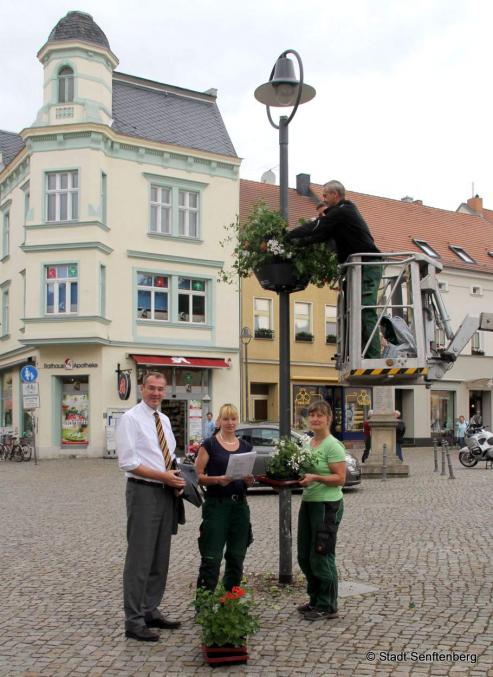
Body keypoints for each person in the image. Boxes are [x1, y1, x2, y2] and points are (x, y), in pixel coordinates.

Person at [116, 371, 186, 642]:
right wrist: (163, 476)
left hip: (165, 492)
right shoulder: (130, 419)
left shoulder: (164, 419)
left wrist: (178, 479)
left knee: (159, 556)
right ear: (142, 389)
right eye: (151, 388)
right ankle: (133, 621)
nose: (156, 393)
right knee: (139, 559)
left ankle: (150, 610)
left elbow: (167, 457)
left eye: (160, 389)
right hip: (143, 492)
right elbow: (128, 462)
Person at [285, 180, 382, 359]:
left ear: (335, 195)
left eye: (325, 195)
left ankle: (373, 355)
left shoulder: (344, 211)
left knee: (366, 309)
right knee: (351, 310)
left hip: (367, 265)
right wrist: (296, 243)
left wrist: (288, 235)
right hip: (356, 267)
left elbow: (316, 227)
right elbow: (320, 235)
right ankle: (356, 352)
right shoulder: (341, 214)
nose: (323, 198)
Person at [195, 403, 255, 592]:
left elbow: (247, 480)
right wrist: (217, 480)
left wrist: (249, 480)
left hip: (239, 506)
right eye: (226, 418)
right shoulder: (209, 444)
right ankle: (204, 606)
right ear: (219, 421)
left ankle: (229, 603)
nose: (230, 423)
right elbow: (197, 476)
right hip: (216, 505)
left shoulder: (245, 445)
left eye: (234, 418)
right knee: (211, 557)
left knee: (237, 556)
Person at [297, 400, 346, 621]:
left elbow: (340, 479)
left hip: (327, 505)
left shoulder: (332, 445)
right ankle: (315, 598)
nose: (315, 419)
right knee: (304, 555)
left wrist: (316, 477)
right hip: (309, 502)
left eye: (320, 415)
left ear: (329, 419)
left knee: (321, 553)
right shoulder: (309, 443)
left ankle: (328, 605)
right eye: (312, 415)